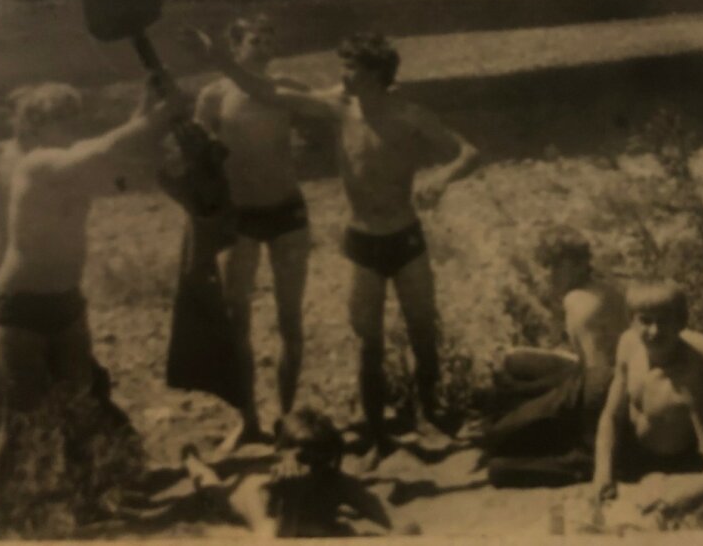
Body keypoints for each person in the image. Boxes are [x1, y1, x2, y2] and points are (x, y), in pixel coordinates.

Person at [181, 27, 480, 465]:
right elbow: (266, 91)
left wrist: (441, 178)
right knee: (367, 345)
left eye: (350, 67)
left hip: (406, 236)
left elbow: (468, 152)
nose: (341, 75)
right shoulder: (338, 109)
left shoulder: (410, 115)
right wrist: (220, 59)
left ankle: (432, 417)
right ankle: (378, 438)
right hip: (361, 241)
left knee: (423, 332)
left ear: (374, 73)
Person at [0, 85, 136, 482]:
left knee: (74, 381)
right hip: (3, 282)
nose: (22, 122)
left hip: (49, 283)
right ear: (16, 117)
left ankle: (81, 471)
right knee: (2, 388)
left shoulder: (61, 158)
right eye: (18, 113)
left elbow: (113, 170)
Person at [0, 76, 178, 512]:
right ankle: (0, 505)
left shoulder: (69, 161)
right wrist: (158, 116)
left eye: (74, 117)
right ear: (34, 126)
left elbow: (112, 153)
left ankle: (86, 501)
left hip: (66, 302)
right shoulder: (36, 163)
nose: (71, 125)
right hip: (22, 305)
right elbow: (103, 149)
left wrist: (146, 102)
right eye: (61, 118)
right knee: (21, 418)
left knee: (79, 408)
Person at [193, 15, 311, 451]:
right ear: (235, 46)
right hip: (239, 216)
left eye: (270, 40)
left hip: (287, 212)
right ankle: (248, 420)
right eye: (255, 40)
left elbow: (322, 122)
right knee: (236, 319)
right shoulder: (214, 94)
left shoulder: (288, 87)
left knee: (290, 320)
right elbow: (198, 154)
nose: (264, 48)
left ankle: (287, 418)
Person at [484, 226, 628, 486]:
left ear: (579, 265)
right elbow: (590, 364)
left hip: (603, 399)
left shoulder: (579, 302)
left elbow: (598, 382)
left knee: (498, 458)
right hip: (606, 382)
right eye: (547, 266)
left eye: (557, 266)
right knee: (508, 403)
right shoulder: (602, 288)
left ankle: (579, 464)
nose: (549, 274)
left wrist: (591, 446)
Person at [592, 280, 703, 519]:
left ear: (681, 323)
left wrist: (680, 500)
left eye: (664, 321)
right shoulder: (629, 343)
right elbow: (612, 415)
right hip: (629, 447)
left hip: (673, 460)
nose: (654, 331)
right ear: (632, 321)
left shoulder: (691, 375)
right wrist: (602, 472)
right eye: (646, 320)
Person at [181, 408, 402, 537]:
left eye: (322, 460)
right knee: (211, 486)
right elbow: (270, 540)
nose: (313, 471)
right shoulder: (263, 491)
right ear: (281, 456)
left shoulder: (331, 479)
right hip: (237, 497)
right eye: (304, 460)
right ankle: (190, 459)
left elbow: (400, 523)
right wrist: (291, 501)